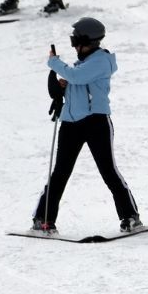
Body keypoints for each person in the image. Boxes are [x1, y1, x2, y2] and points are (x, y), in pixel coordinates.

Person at [32, 18, 140, 234]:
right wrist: (61, 90)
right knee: (60, 173)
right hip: (71, 124)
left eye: (75, 41)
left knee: (108, 171)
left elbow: (77, 76)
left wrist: (54, 63)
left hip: (96, 123)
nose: (74, 46)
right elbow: (76, 81)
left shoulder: (101, 61)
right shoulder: (84, 64)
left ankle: (130, 217)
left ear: (87, 41)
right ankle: (43, 220)